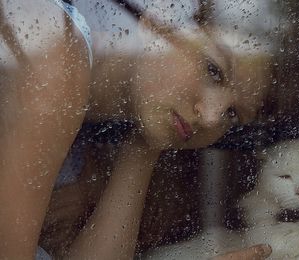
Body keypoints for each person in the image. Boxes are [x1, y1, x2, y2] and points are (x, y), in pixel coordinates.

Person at [0, 0, 272, 259]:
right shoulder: (56, 57)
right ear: (160, 22)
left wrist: (142, 148)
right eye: (213, 70)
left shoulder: (105, 121)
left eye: (232, 113)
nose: (212, 118)